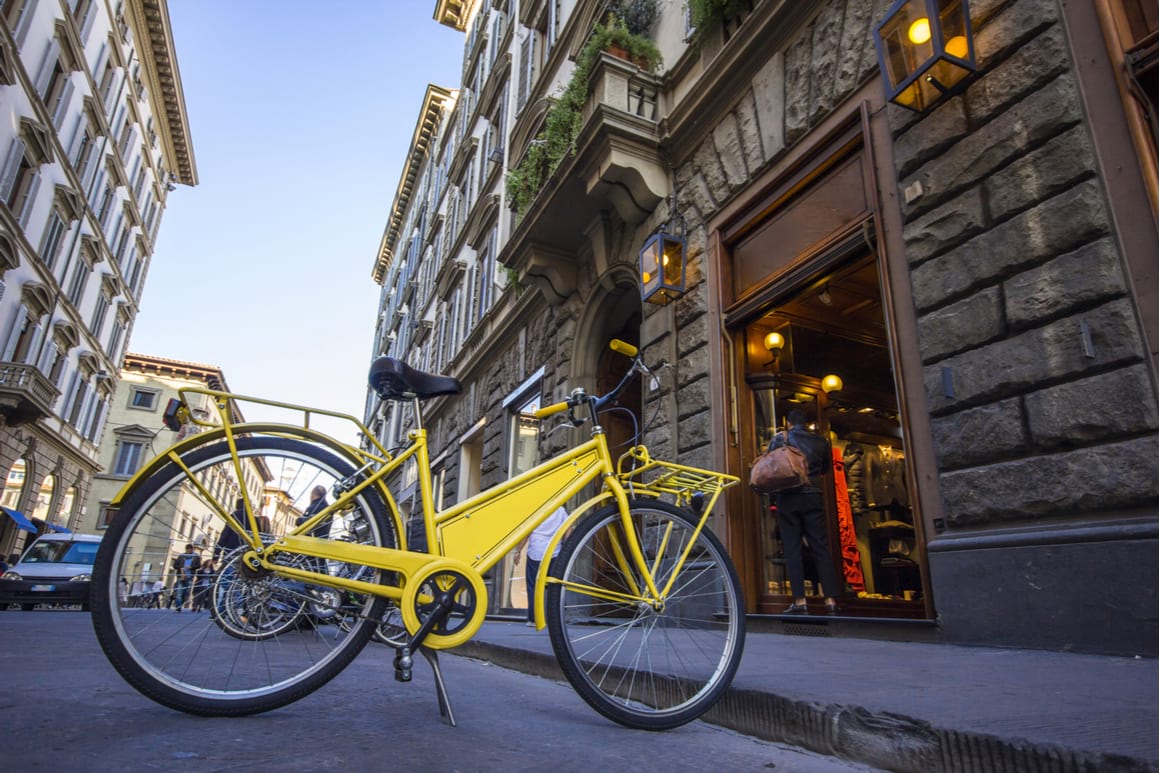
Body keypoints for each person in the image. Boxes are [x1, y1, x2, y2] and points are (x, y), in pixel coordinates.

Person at [769, 408, 843, 615]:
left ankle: (800, 601)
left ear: (788, 423)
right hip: (813, 495)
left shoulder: (780, 439)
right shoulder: (821, 441)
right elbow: (825, 469)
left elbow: (771, 464)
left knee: (792, 549)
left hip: (788, 496)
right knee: (820, 546)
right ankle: (830, 600)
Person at [517, 506, 568, 627]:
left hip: (536, 552)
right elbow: (568, 529)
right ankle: (555, 618)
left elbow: (527, 532)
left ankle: (533, 619)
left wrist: (518, 551)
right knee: (555, 587)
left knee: (533, 587)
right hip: (554, 552)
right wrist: (565, 546)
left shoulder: (537, 508)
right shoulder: (560, 510)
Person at [170, 543, 201, 612]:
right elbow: (175, 565)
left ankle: (181, 602)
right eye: (188, 550)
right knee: (179, 592)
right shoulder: (181, 556)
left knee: (187, 592)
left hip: (190, 576)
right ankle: (178, 607)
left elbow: (198, 565)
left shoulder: (196, 556)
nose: (189, 551)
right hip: (181, 576)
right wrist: (181, 568)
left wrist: (191, 567)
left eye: (190, 550)